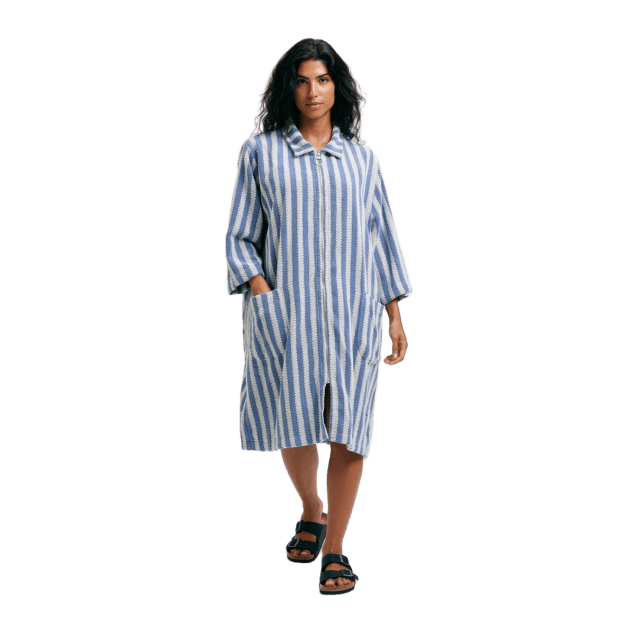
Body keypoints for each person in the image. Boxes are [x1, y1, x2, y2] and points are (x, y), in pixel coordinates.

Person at [224, 37, 414, 596]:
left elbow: (382, 237)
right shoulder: (260, 152)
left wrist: (394, 313)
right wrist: (263, 292)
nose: (313, 92)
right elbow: (239, 236)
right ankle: (312, 507)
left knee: (352, 430)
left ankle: (336, 549)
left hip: (355, 316)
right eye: (303, 81)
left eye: (324, 80)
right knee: (296, 422)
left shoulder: (363, 159)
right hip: (287, 315)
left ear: (339, 88)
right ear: (289, 88)